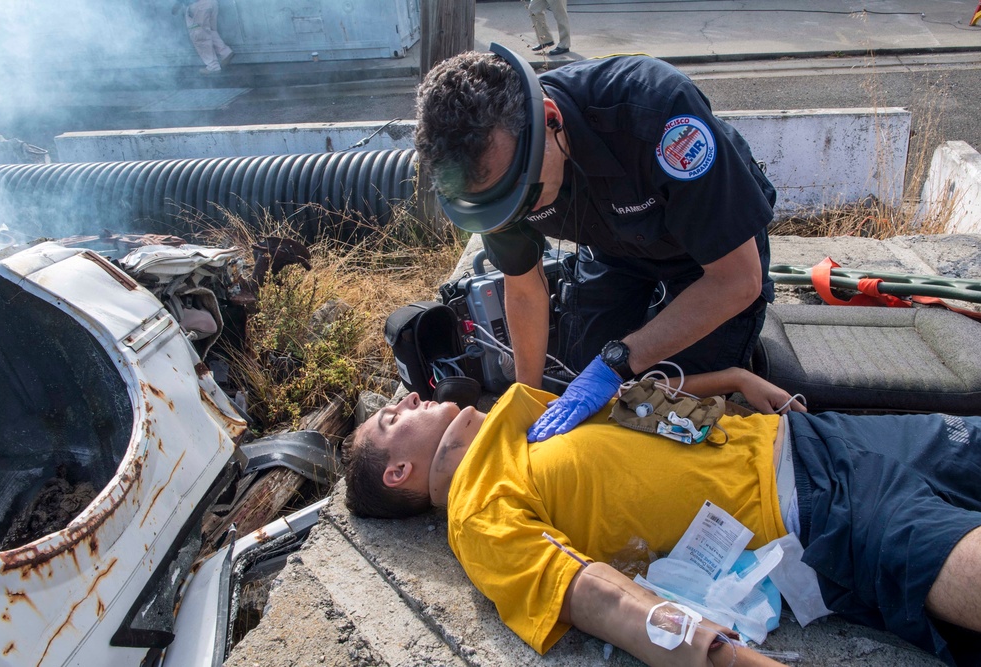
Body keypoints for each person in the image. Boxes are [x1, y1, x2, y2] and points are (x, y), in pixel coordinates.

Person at [343, 369, 981, 667]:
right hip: (815, 515)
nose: (407, 399)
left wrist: (729, 382)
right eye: (392, 419)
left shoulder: (511, 422)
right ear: (399, 472)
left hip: (803, 438)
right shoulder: (478, 512)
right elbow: (592, 594)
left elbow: (639, 414)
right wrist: (723, 656)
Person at [415, 51, 778, 443]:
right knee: (580, 374)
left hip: (706, 252)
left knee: (667, 414)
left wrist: (618, 362)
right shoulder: (491, 180)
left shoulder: (658, 112)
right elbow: (524, 288)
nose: (517, 212)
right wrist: (528, 397)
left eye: (523, 194)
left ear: (550, 120)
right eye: (501, 207)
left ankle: (738, 369)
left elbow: (737, 280)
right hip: (613, 248)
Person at [173, 0, 234, 75]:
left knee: (200, 37)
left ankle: (213, 66)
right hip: (212, 3)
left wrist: (178, 4)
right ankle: (225, 52)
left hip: (198, 6)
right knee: (209, 31)